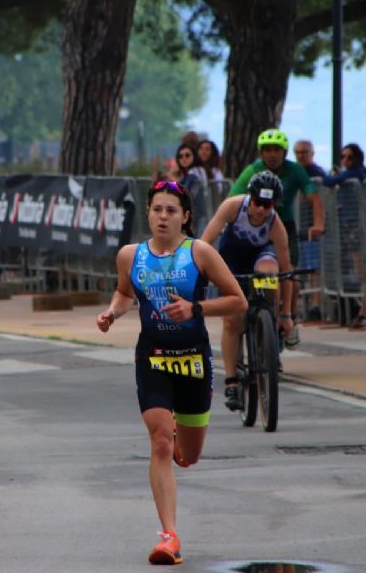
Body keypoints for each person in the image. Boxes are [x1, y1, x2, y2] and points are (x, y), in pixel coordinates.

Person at [96, 180, 246, 566]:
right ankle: (169, 537)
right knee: (161, 442)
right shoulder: (130, 255)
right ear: (148, 213)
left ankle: (181, 438)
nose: (163, 217)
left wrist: (196, 309)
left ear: (185, 217)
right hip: (153, 359)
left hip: (193, 361)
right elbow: (125, 293)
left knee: (188, 455)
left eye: (171, 211)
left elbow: (238, 301)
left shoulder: (200, 253)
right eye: (157, 209)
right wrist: (112, 312)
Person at [200, 172, 293, 412]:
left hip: (260, 258)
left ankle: (268, 324)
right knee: (233, 319)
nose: (261, 210)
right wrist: (200, 269)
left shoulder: (275, 225)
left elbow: (287, 271)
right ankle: (232, 380)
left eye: (268, 205)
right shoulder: (232, 207)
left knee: (271, 271)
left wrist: (286, 315)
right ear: (250, 198)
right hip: (232, 260)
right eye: (257, 203)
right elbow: (204, 243)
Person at [229, 128, 324, 345]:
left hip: (285, 227)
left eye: (277, 150)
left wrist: (318, 224)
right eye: (267, 150)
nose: (272, 154)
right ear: (261, 153)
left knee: (290, 275)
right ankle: (260, 311)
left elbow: (314, 198)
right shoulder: (253, 170)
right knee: (262, 274)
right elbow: (232, 198)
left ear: (284, 152)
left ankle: (289, 319)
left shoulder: (295, 170)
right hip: (258, 227)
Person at [322, 143, 366, 327]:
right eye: (342, 156)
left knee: (364, 273)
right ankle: (363, 309)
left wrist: (335, 175)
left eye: (349, 157)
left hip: (356, 228)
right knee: (360, 272)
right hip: (349, 226)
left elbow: (328, 181)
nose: (345, 160)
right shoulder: (353, 174)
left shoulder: (356, 173)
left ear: (357, 158)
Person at [293, 140, 326, 319]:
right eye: (298, 152)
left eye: (304, 152)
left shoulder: (316, 173)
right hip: (296, 228)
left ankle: (315, 304)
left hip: (311, 228)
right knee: (295, 267)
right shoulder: (293, 171)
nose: (301, 156)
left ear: (312, 153)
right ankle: (296, 304)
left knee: (313, 268)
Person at [169, 143, 209, 229]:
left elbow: (186, 195)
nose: (184, 158)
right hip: (188, 218)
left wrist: (174, 181)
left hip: (198, 218)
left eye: (187, 155)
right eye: (180, 156)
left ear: (194, 156)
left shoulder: (195, 173)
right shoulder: (184, 175)